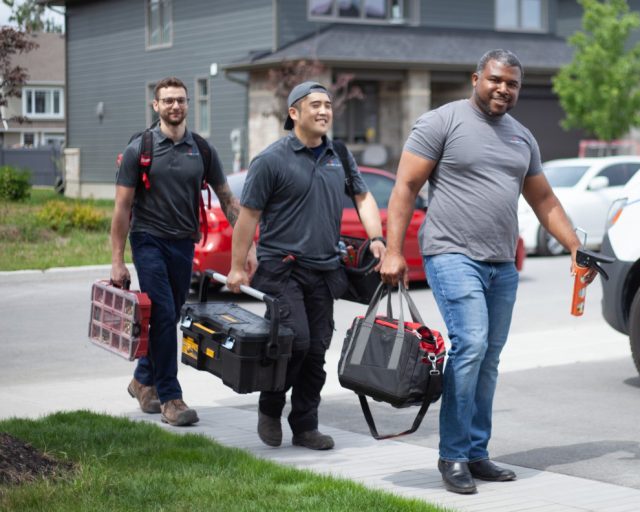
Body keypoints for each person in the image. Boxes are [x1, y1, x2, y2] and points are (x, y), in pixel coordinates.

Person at [380, 50, 594, 494]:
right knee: (471, 344)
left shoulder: (522, 137)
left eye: (512, 83)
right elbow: (405, 186)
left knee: (488, 358)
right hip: (451, 253)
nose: (503, 89)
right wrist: (394, 250)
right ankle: (453, 454)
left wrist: (575, 246)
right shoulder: (441, 122)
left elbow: (544, 200)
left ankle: (476, 452)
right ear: (476, 78)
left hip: (502, 263)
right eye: (496, 79)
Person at [226, 81, 386, 450]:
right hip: (282, 270)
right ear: (294, 113)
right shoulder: (270, 160)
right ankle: (270, 408)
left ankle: (305, 425)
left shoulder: (338, 154)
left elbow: (363, 197)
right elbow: (248, 217)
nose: (324, 111)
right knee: (294, 342)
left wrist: (376, 238)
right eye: (315, 105)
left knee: (316, 351)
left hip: (325, 271)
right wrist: (237, 266)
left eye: (328, 105)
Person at [111, 76, 256, 427]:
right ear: (156, 105)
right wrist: (117, 260)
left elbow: (228, 200)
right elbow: (122, 208)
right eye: (168, 100)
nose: (175, 105)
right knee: (162, 312)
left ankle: (141, 380)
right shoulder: (140, 149)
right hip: (147, 239)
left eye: (180, 100)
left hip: (183, 242)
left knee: (170, 314)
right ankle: (170, 398)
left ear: (188, 104)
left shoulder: (202, 150)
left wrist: (249, 245)